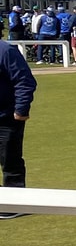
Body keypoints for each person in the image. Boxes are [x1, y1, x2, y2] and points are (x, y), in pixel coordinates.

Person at [0, 37, 36, 219]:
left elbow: (25, 81)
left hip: (6, 118)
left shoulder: (6, 51)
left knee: (10, 160)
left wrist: (21, 109)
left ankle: (14, 204)